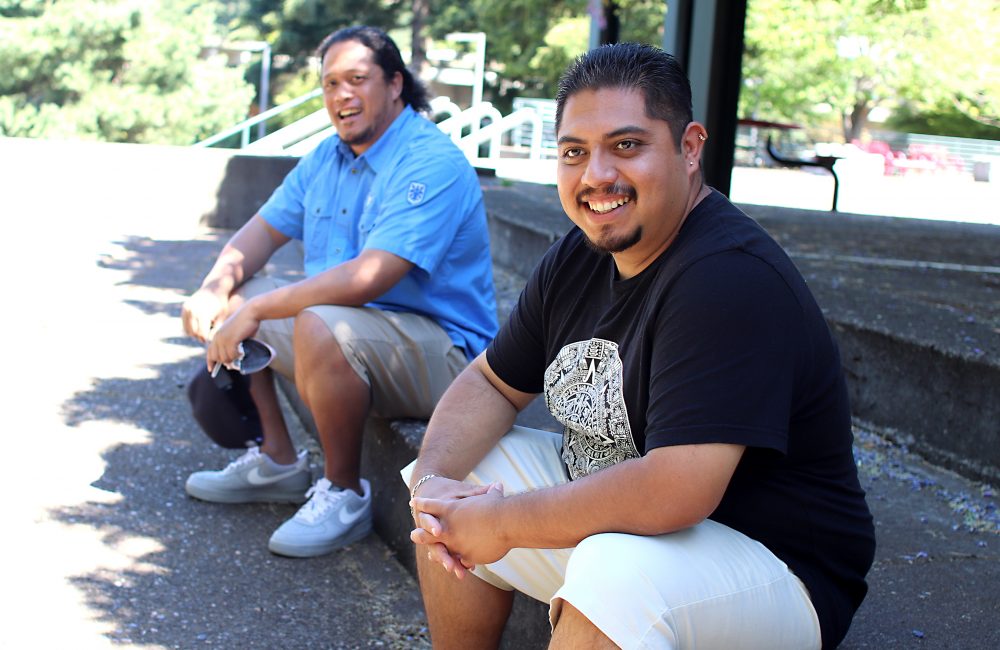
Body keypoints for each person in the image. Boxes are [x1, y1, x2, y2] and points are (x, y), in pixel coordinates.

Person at [405, 43, 875, 649]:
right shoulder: (580, 252)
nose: (597, 175)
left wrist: (498, 522)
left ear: (689, 148)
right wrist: (434, 486)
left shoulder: (727, 276)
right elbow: (492, 382)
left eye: (626, 146)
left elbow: (676, 488)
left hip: (777, 574)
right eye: (575, 152)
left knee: (616, 575)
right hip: (638, 541)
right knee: (457, 476)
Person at [181, 25, 498, 559]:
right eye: (330, 84)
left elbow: (369, 278)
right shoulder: (326, 158)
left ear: (395, 84)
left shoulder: (429, 161)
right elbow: (258, 234)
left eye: (357, 79)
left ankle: (344, 493)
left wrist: (257, 309)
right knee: (236, 299)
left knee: (308, 320)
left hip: (448, 355)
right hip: (353, 333)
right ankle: (278, 461)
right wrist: (215, 290)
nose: (341, 96)